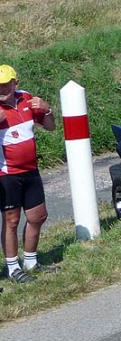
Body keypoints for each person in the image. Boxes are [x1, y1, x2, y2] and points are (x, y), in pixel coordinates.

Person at [0, 65, 58, 283]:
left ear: (16, 83)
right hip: (7, 174)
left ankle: (31, 262)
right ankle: (13, 268)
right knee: (11, 220)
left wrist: (47, 109)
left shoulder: (26, 99)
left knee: (38, 216)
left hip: (31, 170)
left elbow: (51, 127)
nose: (2, 89)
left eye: (6, 84)